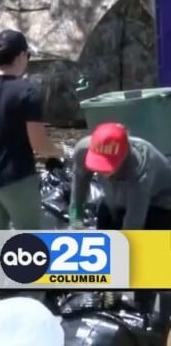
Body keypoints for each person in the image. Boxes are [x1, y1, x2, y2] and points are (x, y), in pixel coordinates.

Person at [70, 122, 171, 334]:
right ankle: (112, 300)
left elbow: (132, 229)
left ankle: (158, 319)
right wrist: (76, 222)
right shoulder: (82, 150)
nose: (102, 171)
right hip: (114, 198)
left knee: (151, 261)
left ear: (124, 155)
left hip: (160, 203)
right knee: (105, 243)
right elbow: (78, 192)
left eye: (108, 166)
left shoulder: (141, 168)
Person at [0, 29, 62, 230]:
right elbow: (39, 144)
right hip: (17, 180)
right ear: (21, 56)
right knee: (29, 243)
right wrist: (60, 151)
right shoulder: (28, 92)